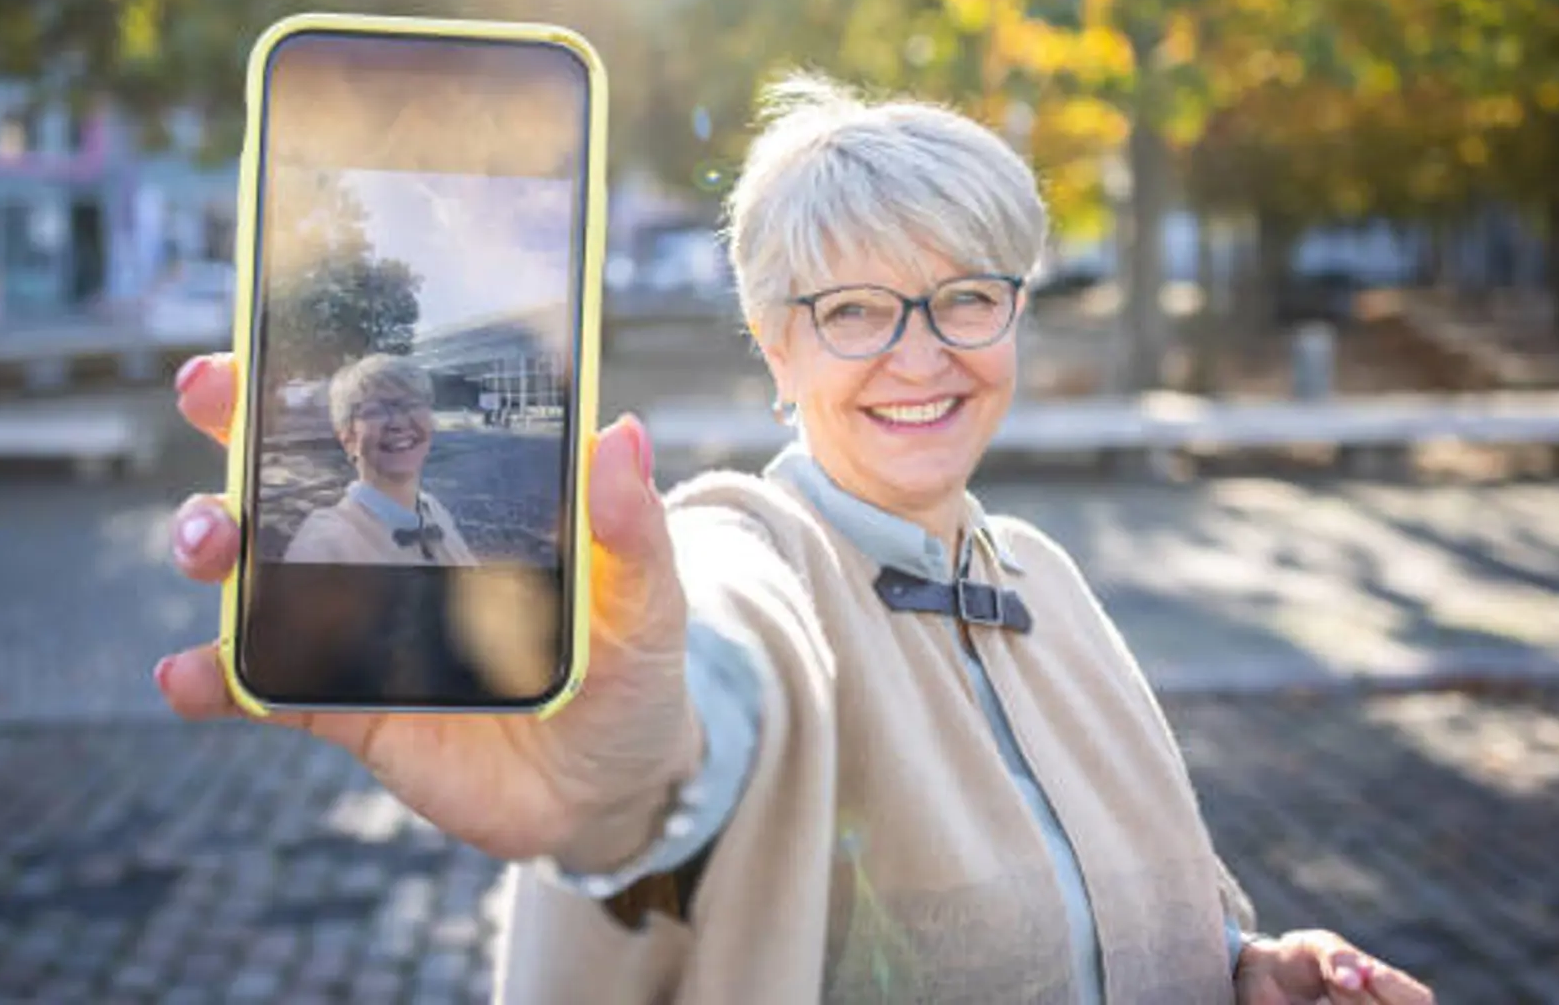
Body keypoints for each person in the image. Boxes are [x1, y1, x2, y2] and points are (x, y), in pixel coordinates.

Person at [158, 76, 1436, 1004]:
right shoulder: (754, 549)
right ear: (776, 347)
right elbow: (712, 672)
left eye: (967, 298)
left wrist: (1248, 971)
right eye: (855, 309)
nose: (920, 351)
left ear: (1016, 315)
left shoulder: (1045, 577)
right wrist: (628, 750)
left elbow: (1128, 920)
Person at [280, 353, 478, 566]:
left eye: (411, 404)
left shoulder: (433, 509)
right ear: (348, 438)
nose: (399, 422)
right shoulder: (322, 546)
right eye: (375, 410)